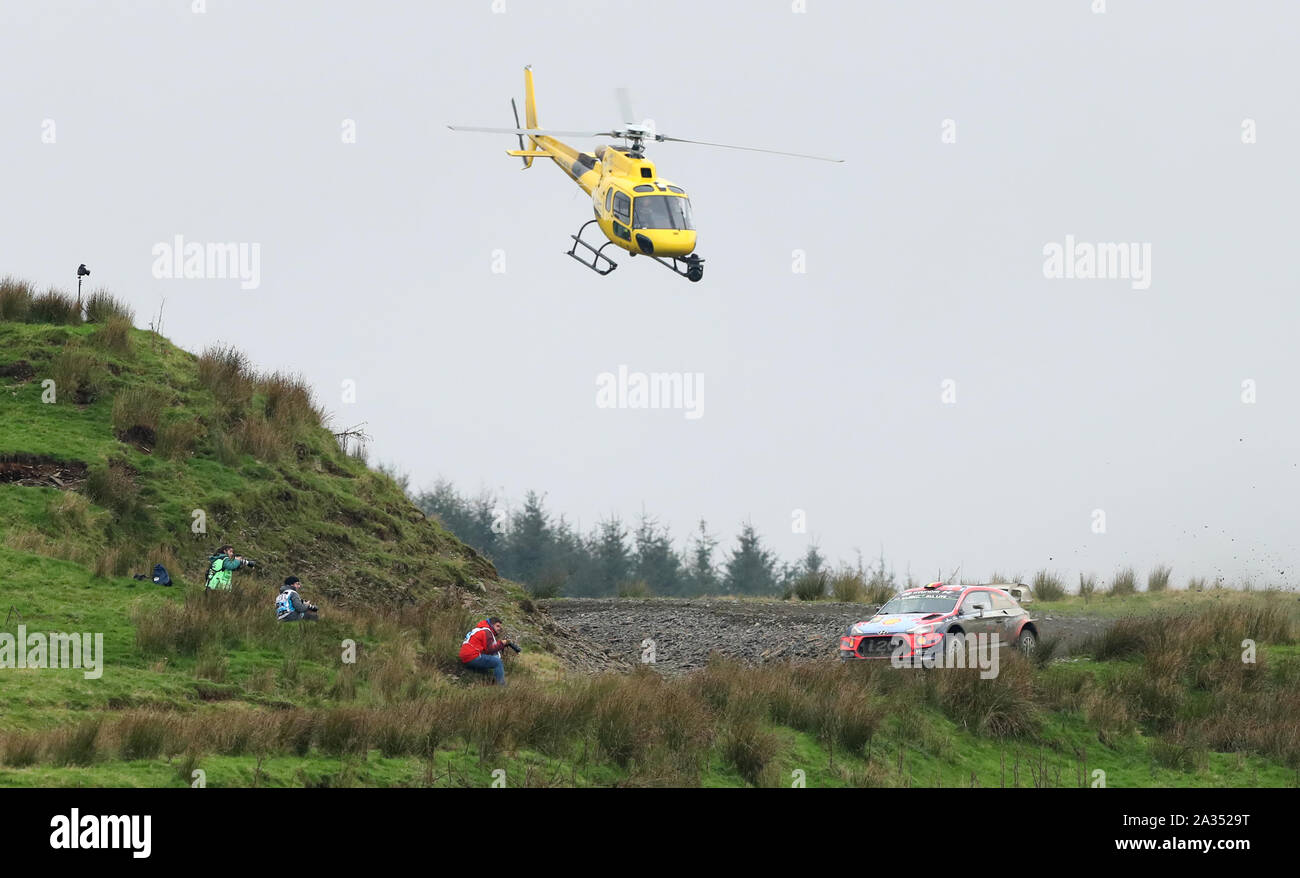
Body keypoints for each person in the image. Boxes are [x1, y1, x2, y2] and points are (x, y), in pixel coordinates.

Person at [458, 618, 512, 686]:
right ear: (491, 625)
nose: (499, 629)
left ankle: (485, 678)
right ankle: (502, 686)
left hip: (465, 657)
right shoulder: (487, 632)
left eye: (500, 627)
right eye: (497, 626)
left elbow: (485, 649)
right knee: (498, 662)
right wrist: (501, 643)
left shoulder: (479, 629)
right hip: (473, 656)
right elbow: (490, 650)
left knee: (490, 660)